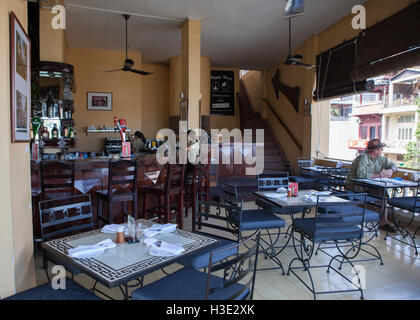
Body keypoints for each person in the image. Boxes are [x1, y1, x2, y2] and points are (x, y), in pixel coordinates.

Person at [346, 138, 398, 232]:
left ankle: (383, 222)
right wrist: (379, 175)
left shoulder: (381, 159)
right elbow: (361, 175)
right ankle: (352, 219)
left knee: (383, 193)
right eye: (381, 149)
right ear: (376, 150)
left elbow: (393, 165)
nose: (382, 150)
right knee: (365, 191)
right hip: (354, 183)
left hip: (369, 184)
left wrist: (391, 170)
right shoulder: (363, 157)